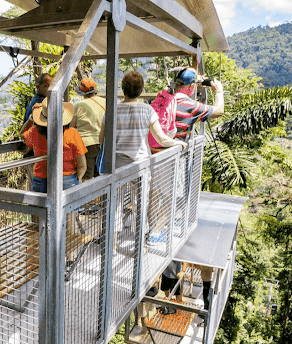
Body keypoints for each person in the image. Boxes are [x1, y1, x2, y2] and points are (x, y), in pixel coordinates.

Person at [100, 71, 186, 250]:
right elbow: (161, 138)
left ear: (123, 89)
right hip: (140, 166)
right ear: (141, 90)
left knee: (114, 203)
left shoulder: (112, 110)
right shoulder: (147, 110)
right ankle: (139, 245)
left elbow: (102, 139)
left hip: (116, 165)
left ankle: (112, 244)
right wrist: (178, 143)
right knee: (141, 203)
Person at [21, 98, 87, 192]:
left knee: (41, 202)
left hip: (40, 179)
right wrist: (78, 178)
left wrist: (31, 118)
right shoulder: (72, 133)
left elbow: (22, 134)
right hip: (66, 178)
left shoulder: (34, 132)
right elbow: (82, 164)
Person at [172, 67, 225, 141]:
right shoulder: (190, 106)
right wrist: (219, 91)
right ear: (192, 86)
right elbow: (219, 111)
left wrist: (197, 79)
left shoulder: (164, 99)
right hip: (178, 146)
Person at [72, 77, 106, 181]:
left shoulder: (79, 105)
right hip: (102, 143)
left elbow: (72, 127)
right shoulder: (105, 102)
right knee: (100, 175)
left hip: (85, 144)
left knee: (87, 177)